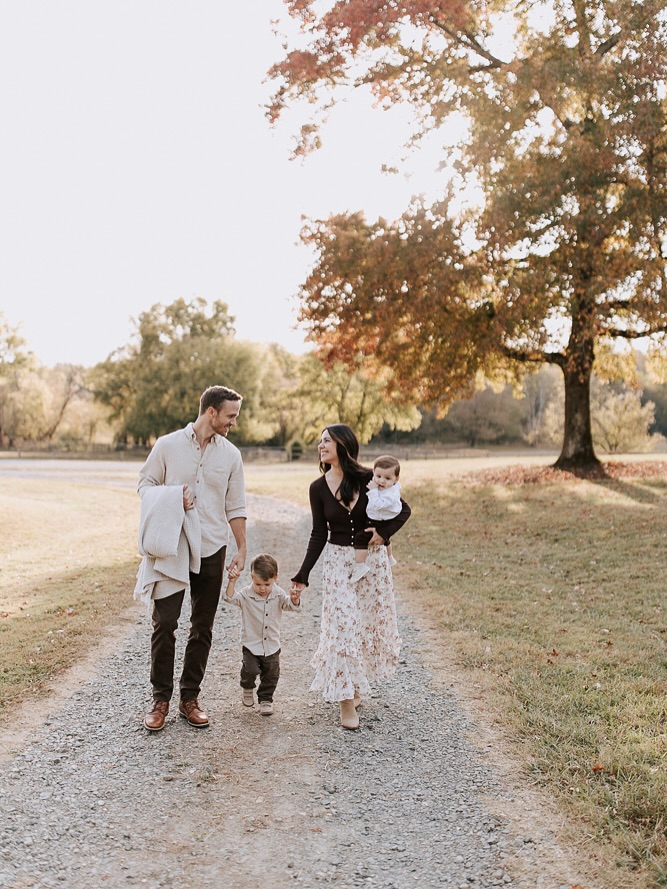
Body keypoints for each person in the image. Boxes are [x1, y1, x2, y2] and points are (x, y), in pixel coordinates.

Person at [137, 385, 247, 732]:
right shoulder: (167, 445)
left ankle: (189, 699)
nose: (234, 422)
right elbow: (144, 484)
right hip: (173, 545)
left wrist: (242, 548)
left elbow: (236, 506)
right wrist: (173, 497)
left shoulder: (231, 455)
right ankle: (160, 700)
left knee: (202, 627)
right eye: (230, 416)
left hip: (213, 546)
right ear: (211, 412)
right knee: (165, 623)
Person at [289, 425, 411, 730]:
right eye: (319, 441)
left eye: (326, 440)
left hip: (370, 563)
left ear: (343, 444)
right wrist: (302, 575)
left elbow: (403, 508)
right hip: (337, 563)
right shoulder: (317, 488)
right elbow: (319, 533)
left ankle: (354, 687)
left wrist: (383, 534)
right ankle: (345, 702)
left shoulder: (370, 477)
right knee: (342, 627)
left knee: (361, 626)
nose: (320, 445)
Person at [224, 553, 302, 716]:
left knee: (272, 674)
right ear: (252, 577)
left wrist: (294, 599)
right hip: (251, 644)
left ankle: (266, 699)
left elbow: (290, 606)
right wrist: (232, 582)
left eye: (267, 584)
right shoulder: (246, 595)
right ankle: (247, 686)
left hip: (272, 645)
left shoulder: (279, 594)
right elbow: (229, 598)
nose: (262, 588)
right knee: (250, 670)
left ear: (275, 578)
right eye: (258, 583)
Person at [351, 454, 402, 583]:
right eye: (378, 476)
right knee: (386, 539)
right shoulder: (389, 488)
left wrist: (373, 490)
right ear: (374, 473)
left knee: (360, 537)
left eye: (387, 478)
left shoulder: (390, 494)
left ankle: (360, 565)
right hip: (383, 519)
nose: (381, 481)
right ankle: (390, 557)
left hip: (379, 520)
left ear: (396, 479)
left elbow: (377, 504)